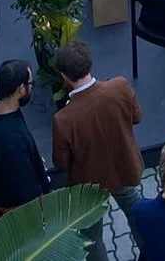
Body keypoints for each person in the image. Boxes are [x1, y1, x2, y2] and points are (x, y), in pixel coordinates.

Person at [52, 41, 143, 261]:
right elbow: (137, 117)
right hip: (124, 171)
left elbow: (61, 163)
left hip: (89, 187)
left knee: (91, 238)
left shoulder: (63, 119)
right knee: (138, 217)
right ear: (89, 65)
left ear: (64, 76)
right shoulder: (120, 86)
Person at [0, 59, 50, 227]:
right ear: (20, 89)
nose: (31, 87)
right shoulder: (13, 141)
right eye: (30, 83)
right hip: (15, 213)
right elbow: (27, 191)